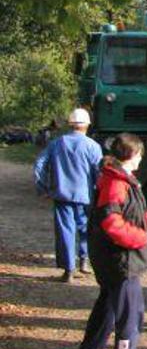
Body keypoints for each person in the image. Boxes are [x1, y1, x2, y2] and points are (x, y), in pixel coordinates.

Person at [73, 134, 147, 349]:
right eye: (140, 154)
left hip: (113, 257)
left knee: (108, 307)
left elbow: (135, 211)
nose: (141, 159)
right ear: (132, 155)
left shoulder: (119, 179)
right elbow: (112, 223)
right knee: (130, 317)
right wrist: (140, 238)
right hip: (120, 259)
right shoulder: (116, 183)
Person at [34, 108, 103, 283]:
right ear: (87, 125)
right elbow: (99, 172)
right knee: (86, 229)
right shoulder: (93, 146)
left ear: (70, 124)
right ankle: (84, 262)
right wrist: (100, 192)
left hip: (62, 195)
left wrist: (43, 188)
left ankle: (68, 270)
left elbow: (39, 164)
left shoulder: (57, 143)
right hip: (86, 196)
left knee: (66, 230)